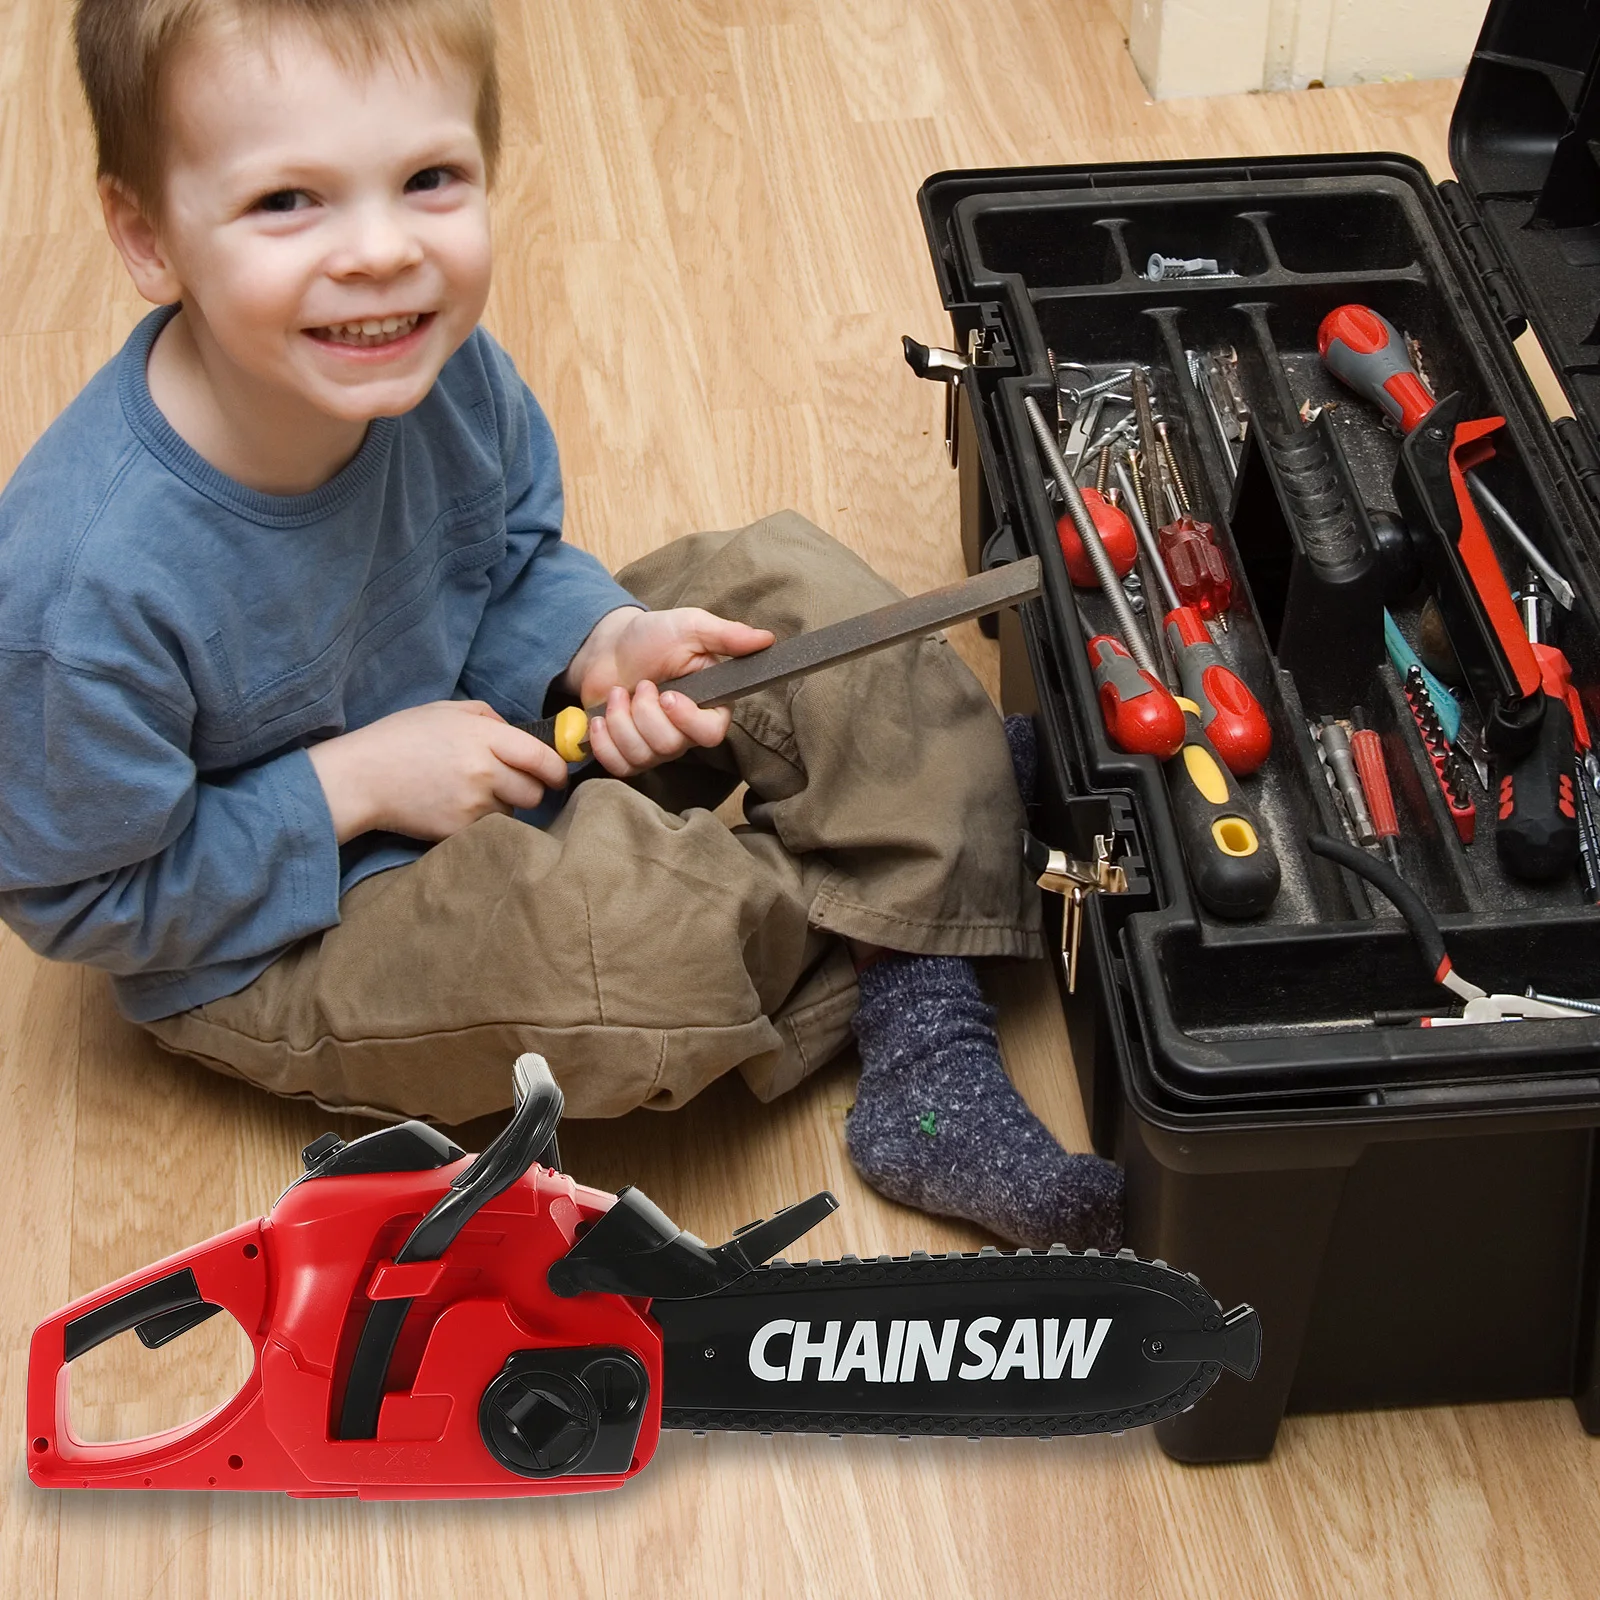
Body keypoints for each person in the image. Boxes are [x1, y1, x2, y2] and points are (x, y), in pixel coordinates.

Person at [0, 0, 1122, 1250]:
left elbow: (510, 556)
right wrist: (351, 786)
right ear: (147, 237)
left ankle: (920, 1005)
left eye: (428, 179)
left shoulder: (424, 360)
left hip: (483, 732)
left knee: (789, 591)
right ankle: (934, 861)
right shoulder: (78, 590)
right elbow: (82, 902)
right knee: (625, 948)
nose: (380, 253)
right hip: (291, 930)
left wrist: (598, 639)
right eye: (286, 203)